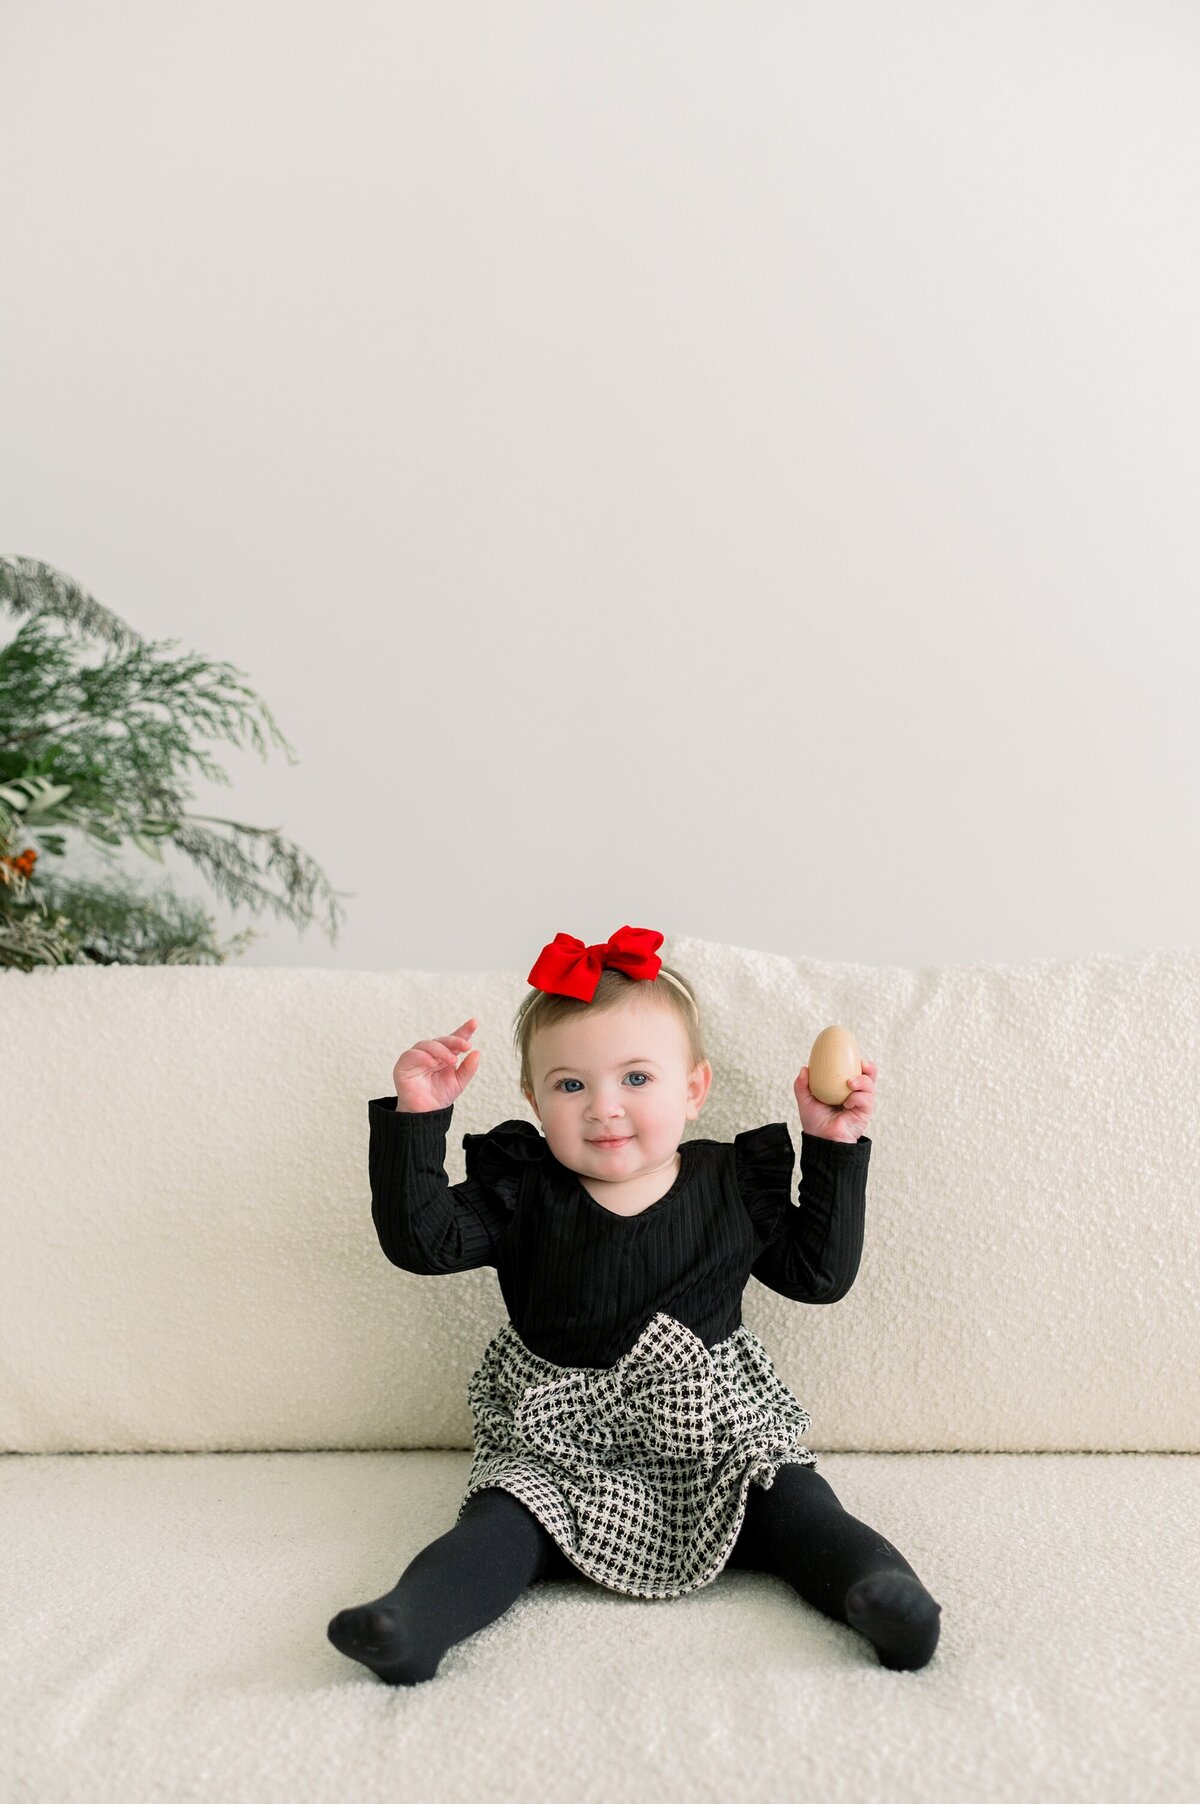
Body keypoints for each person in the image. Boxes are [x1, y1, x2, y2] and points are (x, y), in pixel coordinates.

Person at [327, 925, 942, 1684]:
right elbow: (422, 1244)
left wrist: (833, 1146)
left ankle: (883, 1597)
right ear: (533, 1098)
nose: (604, 1108)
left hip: (712, 1428)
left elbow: (819, 1275)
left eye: (637, 1079)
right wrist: (417, 1117)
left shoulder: (732, 1184)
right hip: (560, 1440)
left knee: (801, 1508)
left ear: (693, 1091)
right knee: (497, 1525)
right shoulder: (521, 1190)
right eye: (571, 1085)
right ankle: (413, 1621)